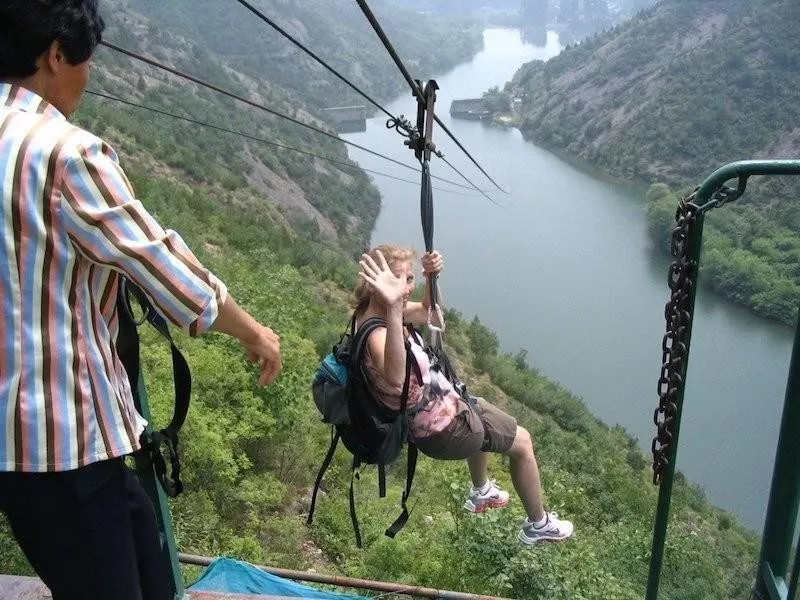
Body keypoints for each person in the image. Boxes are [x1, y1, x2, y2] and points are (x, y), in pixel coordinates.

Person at [0, 2, 282, 599]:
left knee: (145, 556)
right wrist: (254, 332)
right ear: (55, 54)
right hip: (62, 437)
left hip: (17, 442)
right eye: (86, 60)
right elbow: (163, 264)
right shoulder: (64, 153)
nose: (89, 75)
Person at [355, 245, 573, 545]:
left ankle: (481, 490)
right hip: (445, 430)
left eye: (408, 279)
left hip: (443, 413)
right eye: (397, 279)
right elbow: (396, 377)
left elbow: (430, 311)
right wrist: (394, 308)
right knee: (522, 443)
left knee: (483, 412)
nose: (405, 288)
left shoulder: (376, 311)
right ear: (375, 281)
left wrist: (432, 278)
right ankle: (539, 525)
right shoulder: (379, 330)